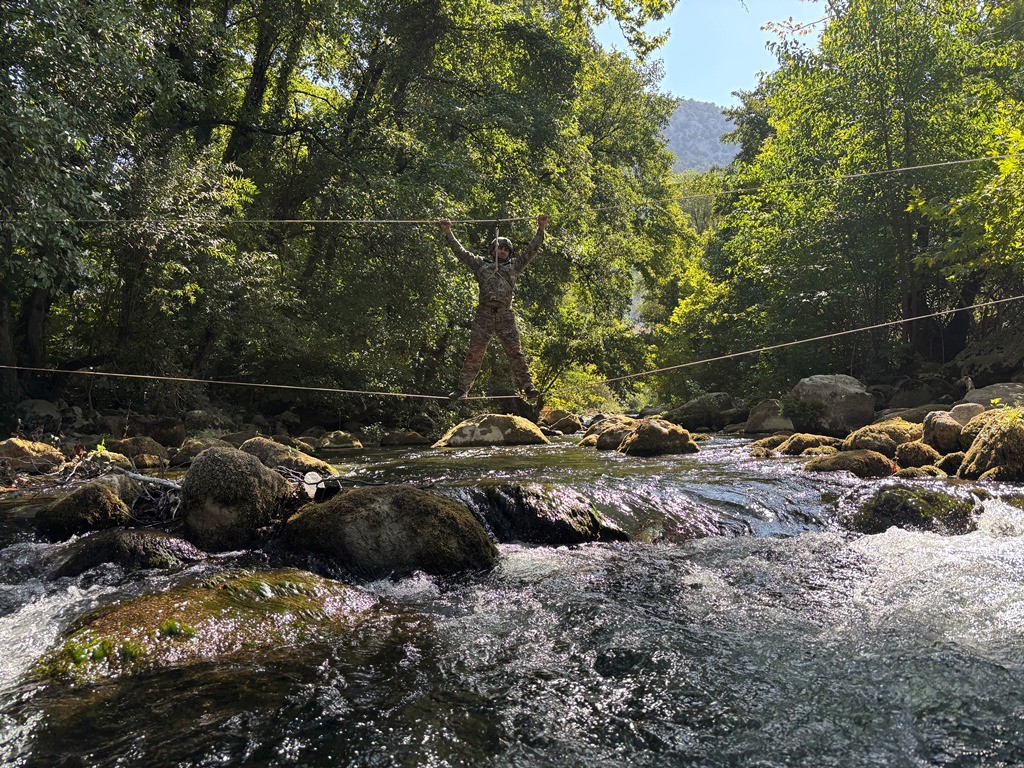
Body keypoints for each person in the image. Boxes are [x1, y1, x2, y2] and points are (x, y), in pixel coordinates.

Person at [438, 214, 549, 401]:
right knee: (475, 351)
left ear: (509, 253)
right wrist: (448, 231)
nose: (503, 251)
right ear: (493, 250)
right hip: (484, 314)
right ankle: (462, 389)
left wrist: (541, 228)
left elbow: (532, 250)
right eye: (500, 248)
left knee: (515, 352)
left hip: (505, 315)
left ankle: (527, 386)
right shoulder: (481, 264)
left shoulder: (514, 266)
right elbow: (460, 252)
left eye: (506, 249)